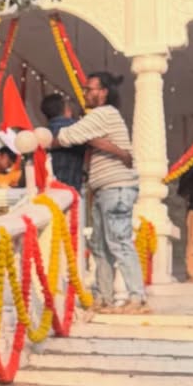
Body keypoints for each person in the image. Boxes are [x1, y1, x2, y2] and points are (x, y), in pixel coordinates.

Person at [52, 71, 147, 313]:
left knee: (118, 242)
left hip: (116, 188)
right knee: (101, 246)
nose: (85, 93)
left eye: (89, 88)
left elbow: (69, 136)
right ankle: (103, 298)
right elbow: (86, 137)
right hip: (105, 189)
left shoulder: (104, 114)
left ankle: (138, 298)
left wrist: (43, 140)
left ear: (103, 92)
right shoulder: (102, 117)